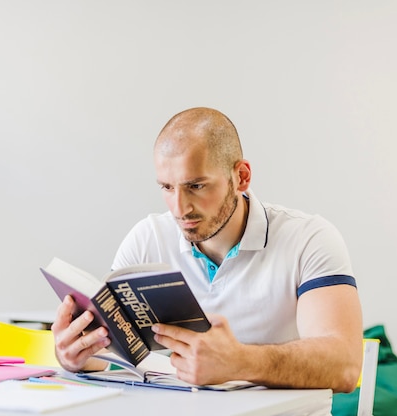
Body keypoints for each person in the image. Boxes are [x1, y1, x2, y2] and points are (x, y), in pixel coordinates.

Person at [52, 107, 363, 395]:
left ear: (241, 177)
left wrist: (241, 361)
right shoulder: (147, 238)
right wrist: (78, 355)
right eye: (167, 188)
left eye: (196, 186)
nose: (180, 208)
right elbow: (113, 353)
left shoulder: (309, 239)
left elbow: (345, 365)